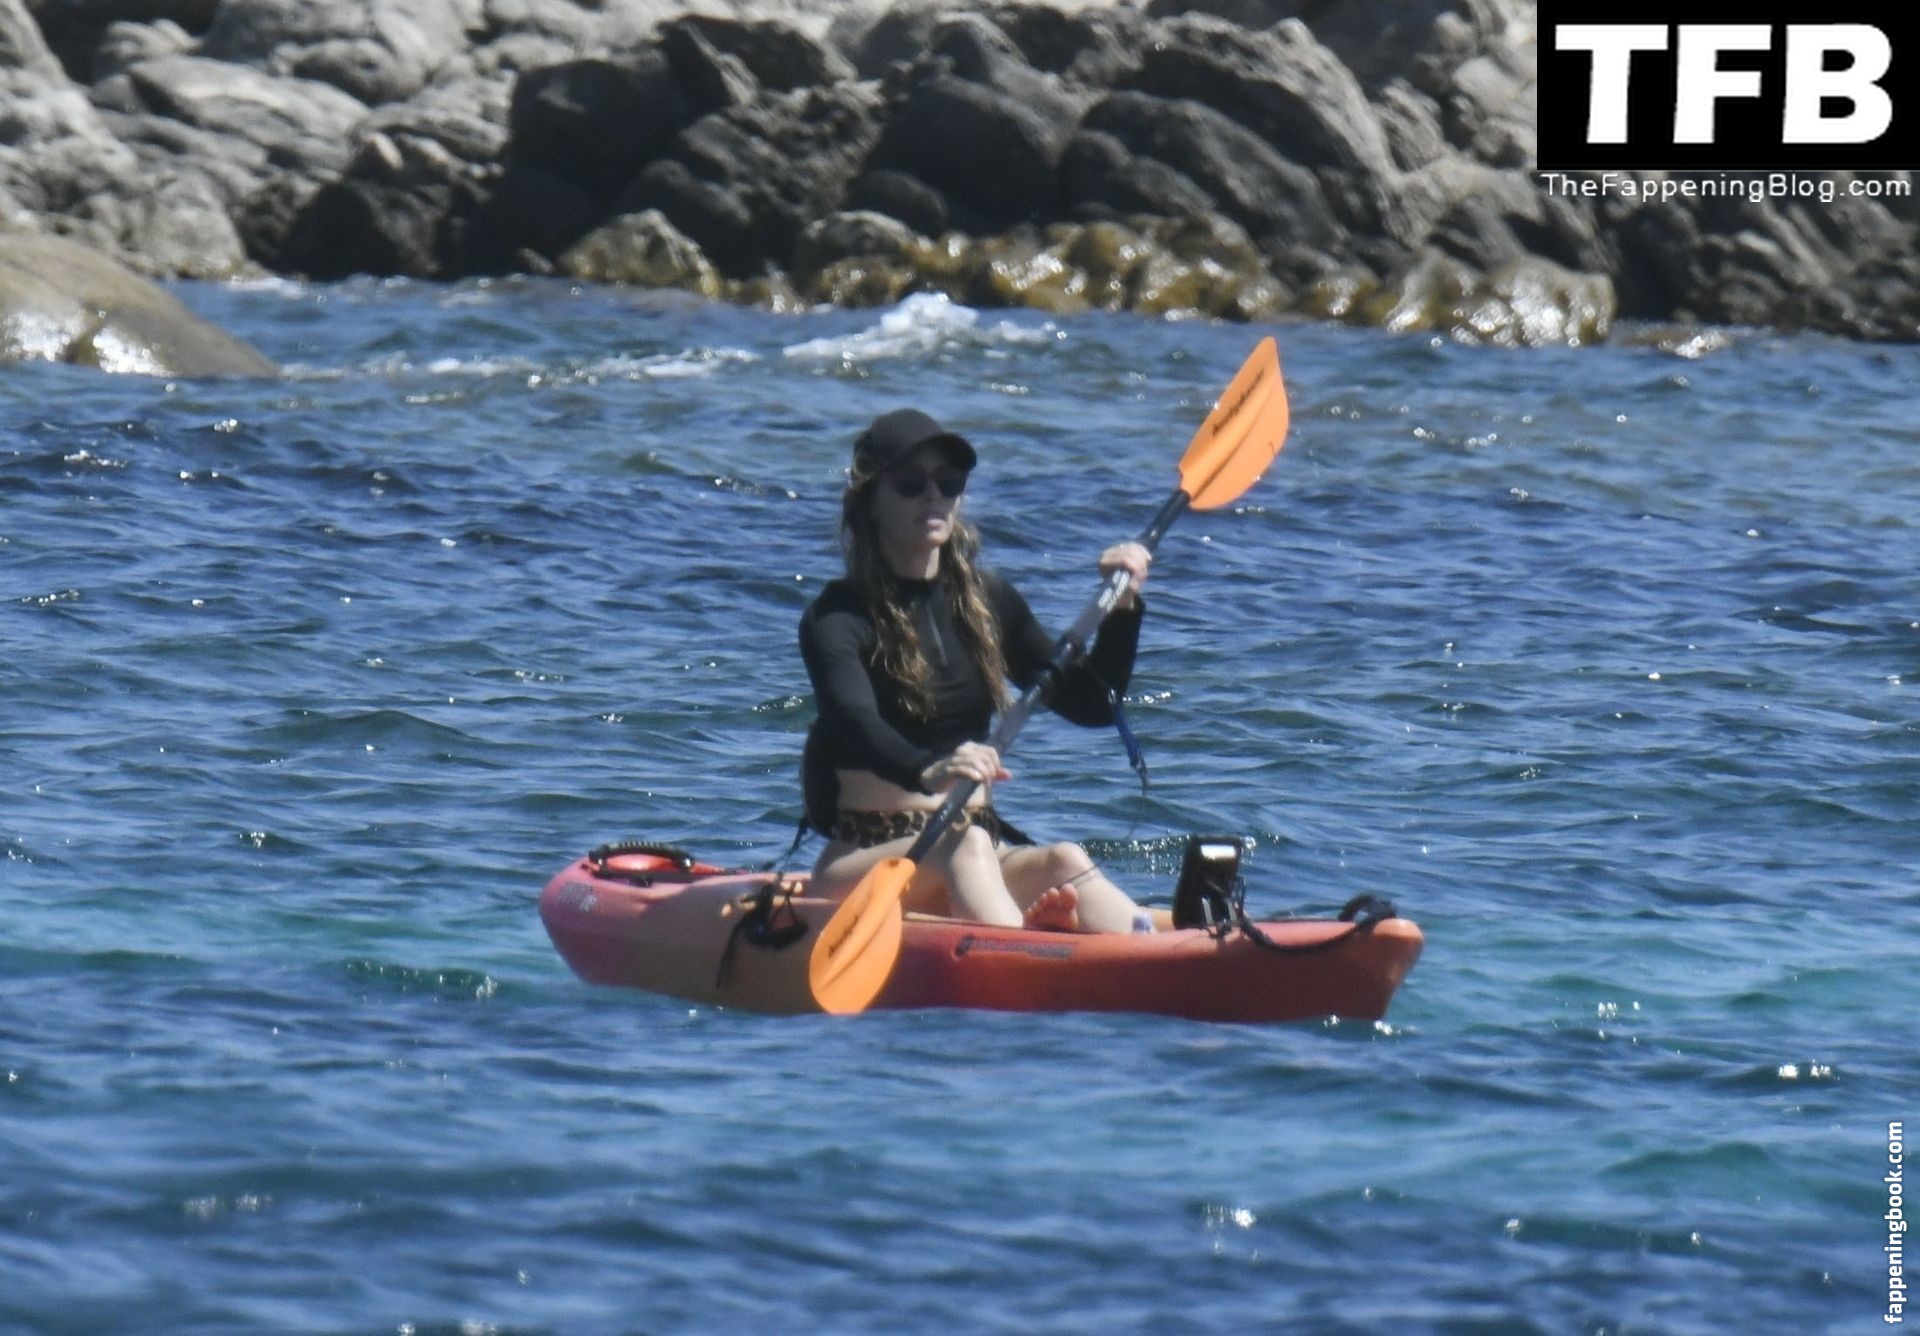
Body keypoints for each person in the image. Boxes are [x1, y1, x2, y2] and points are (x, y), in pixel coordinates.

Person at [799, 407, 1153, 933]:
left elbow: (1092, 705)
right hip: (867, 865)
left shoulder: (988, 601)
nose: (933, 496)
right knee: (962, 846)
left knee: (1065, 861)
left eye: (948, 483)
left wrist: (1122, 611)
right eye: (911, 483)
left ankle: (1145, 955)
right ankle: (1029, 954)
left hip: (975, 848)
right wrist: (930, 768)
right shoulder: (837, 618)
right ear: (870, 499)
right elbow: (855, 722)